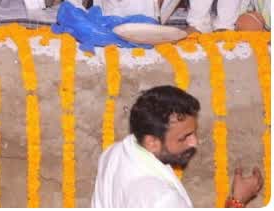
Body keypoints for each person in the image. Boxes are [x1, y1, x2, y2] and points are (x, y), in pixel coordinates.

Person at [93, 85, 263, 207]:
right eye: (185, 137)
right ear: (152, 142)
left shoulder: (114, 153)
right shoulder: (163, 200)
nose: (195, 142)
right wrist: (238, 201)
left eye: (194, 133)